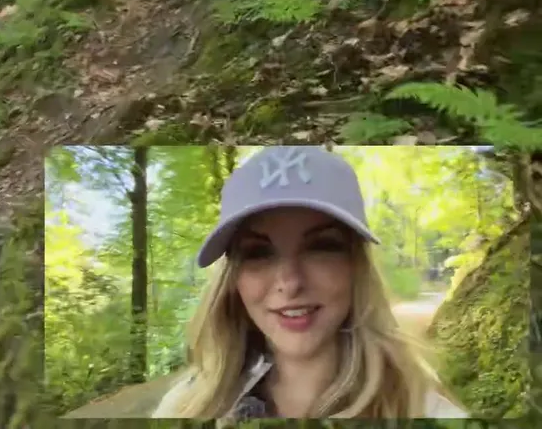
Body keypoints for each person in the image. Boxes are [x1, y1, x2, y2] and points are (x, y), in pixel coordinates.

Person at [151, 146, 466, 420]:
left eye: (320, 247)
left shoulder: (426, 410)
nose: (290, 283)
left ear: (355, 266)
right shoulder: (184, 406)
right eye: (258, 252)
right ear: (233, 278)